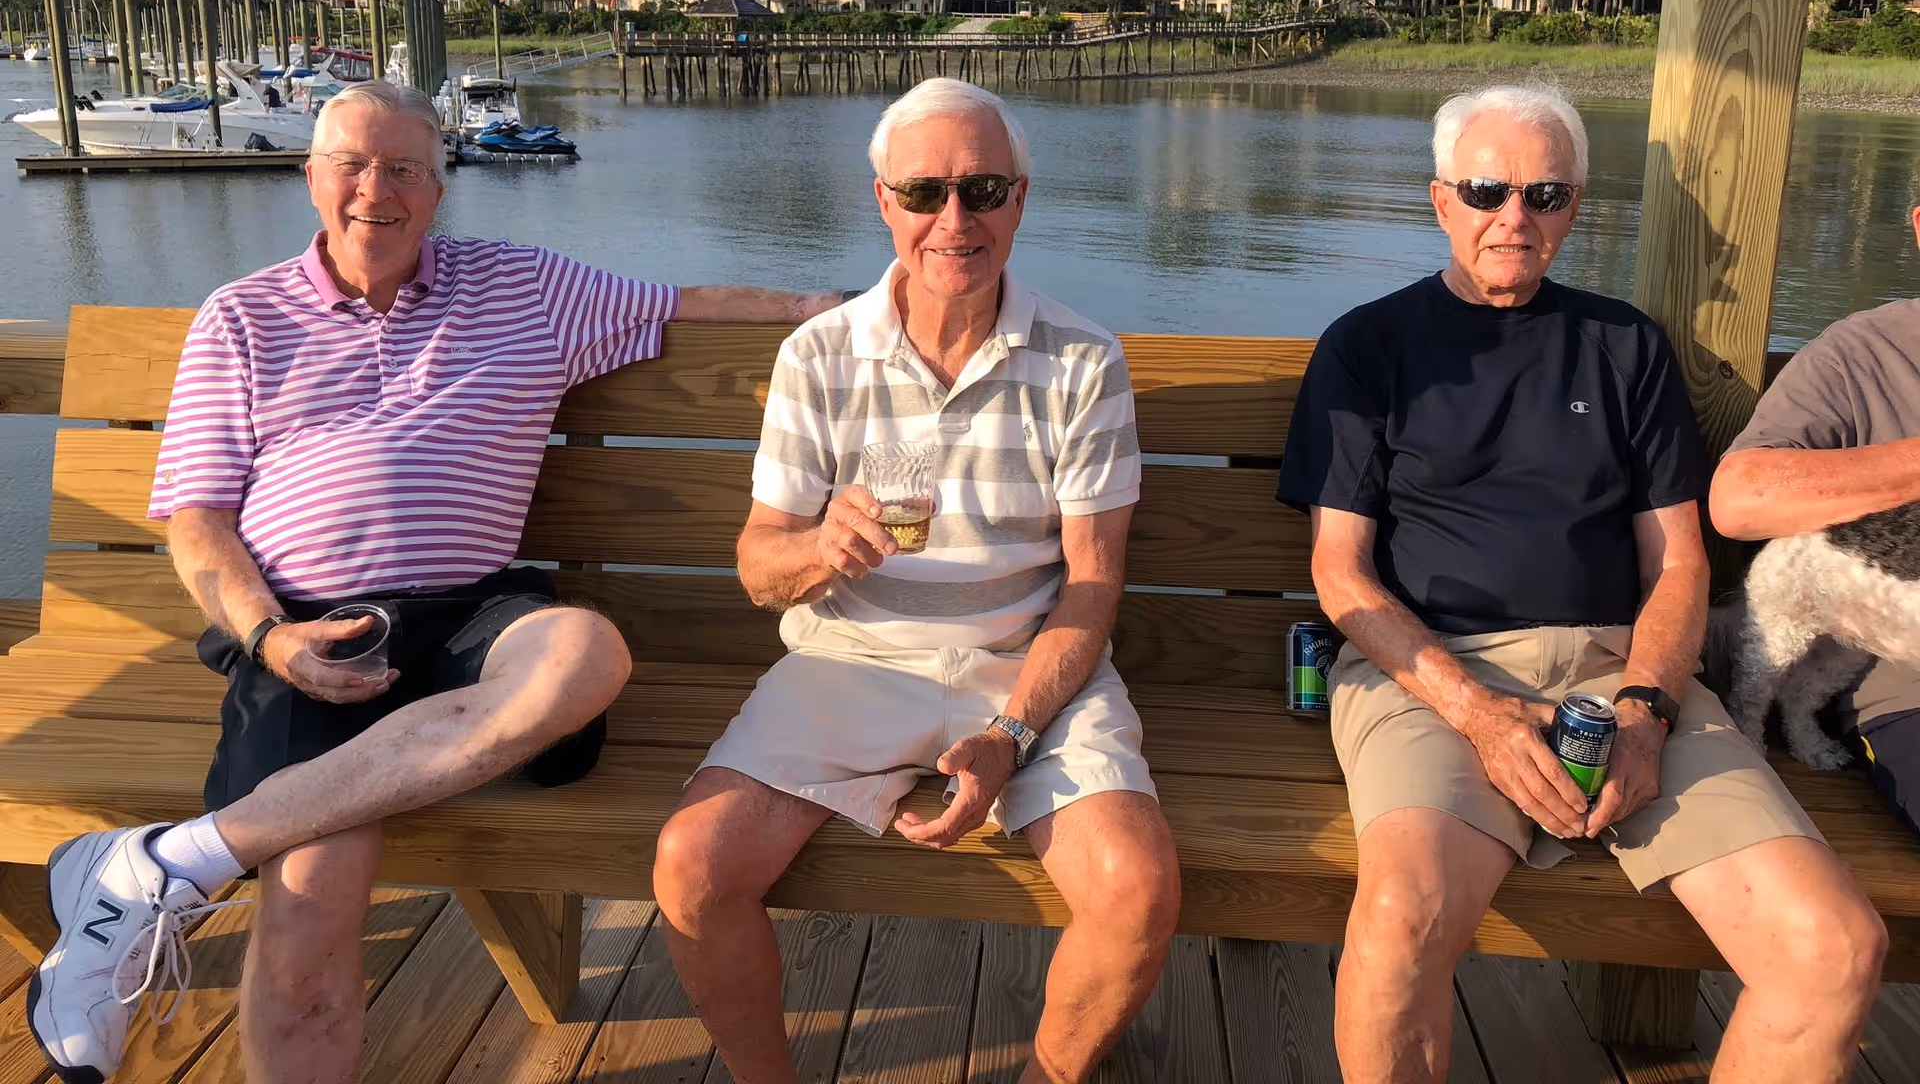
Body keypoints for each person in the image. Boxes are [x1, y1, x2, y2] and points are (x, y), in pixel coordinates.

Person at [28, 81, 842, 1084]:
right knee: (314, 883)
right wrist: (270, 637)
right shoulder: (240, 318)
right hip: (310, 632)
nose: (376, 191)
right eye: (351, 166)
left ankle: (169, 862)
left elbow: (692, 304)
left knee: (586, 650)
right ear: (310, 177)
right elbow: (197, 524)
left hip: (473, 615)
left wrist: (846, 307)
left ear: (438, 189)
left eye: (403, 169)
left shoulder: (527, 288)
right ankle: (169, 873)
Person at [1275, 84, 1887, 1084]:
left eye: (1545, 194)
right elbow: (1339, 575)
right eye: (1486, 191)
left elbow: (1679, 564)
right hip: (1430, 675)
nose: (1513, 217)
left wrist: (1646, 711)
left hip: (1622, 671)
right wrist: (1480, 717)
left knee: (1833, 949)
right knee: (1399, 920)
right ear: (1441, 200)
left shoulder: (1627, 347)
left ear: (1575, 207)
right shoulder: (1368, 346)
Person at [651, 78, 1180, 1084]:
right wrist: (820, 550)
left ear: (1020, 199)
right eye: (925, 192)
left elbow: (1091, 587)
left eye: (982, 189)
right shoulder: (820, 355)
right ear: (884, 202)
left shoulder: (1082, 361)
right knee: (692, 866)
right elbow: (759, 569)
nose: (955, 219)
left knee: (1136, 888)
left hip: (1025, 664)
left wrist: (1011, 733)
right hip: (849, 658)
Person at [1710, 207, 1920, 836]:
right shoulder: (1862, 354)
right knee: (1772, 669)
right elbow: (1738, 501)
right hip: (1895, 671)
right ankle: (1757, 735)